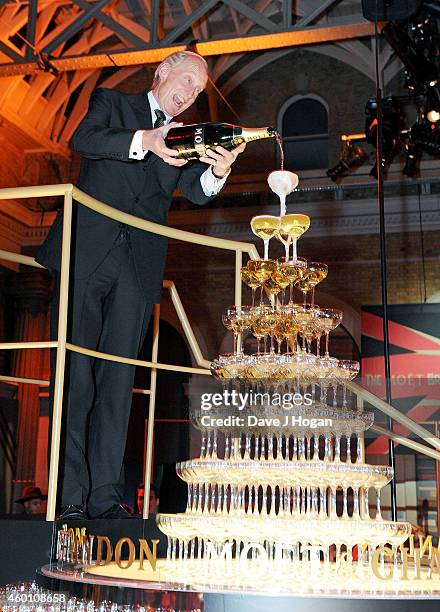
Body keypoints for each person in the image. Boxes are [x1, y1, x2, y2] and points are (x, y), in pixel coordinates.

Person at [36, 51, 245, 521]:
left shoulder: (187, 135)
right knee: (76, 378)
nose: (191, 92)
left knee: (118, 384)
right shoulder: (112, 102)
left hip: (138, 266)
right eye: (187, 80)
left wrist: (219, 169)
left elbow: (194, 188)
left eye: (197, 89)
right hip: (85, 252)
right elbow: (84, 140)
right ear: (161, 73)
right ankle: (69, 496)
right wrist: (145, 140)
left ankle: (106, 497)